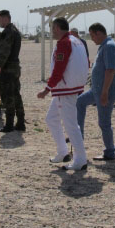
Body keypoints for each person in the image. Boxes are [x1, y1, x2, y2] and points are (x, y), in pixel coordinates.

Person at [37, 17, 90, 171]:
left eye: (53, 28)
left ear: (58, 28)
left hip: (66, 89)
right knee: (51, 118)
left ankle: (80, 159)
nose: (52, 32)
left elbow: (59, 68)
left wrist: (47, 89)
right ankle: (63, 152)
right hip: (71, 87)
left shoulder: (64, 43)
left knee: (71, 124)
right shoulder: (77, 41)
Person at [76, 22, 115, 161]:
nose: (92, 39)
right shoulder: (104, 46)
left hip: (105, 92)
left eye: (92, 35)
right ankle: (78, 139)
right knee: (80, 102)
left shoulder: (109, 46)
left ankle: (109, 152)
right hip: (96, 90)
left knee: (104, 123)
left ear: (99, 33)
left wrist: (105, 92)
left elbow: (110, 70)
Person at [0, 10, 26, 132]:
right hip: (14, 67)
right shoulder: (14, 30)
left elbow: (5, 51)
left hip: (8, 69)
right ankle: (20, 122)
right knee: (16, 95)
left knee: (8, 96)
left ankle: (9, 124)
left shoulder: (8, 32)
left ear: (5, 18)